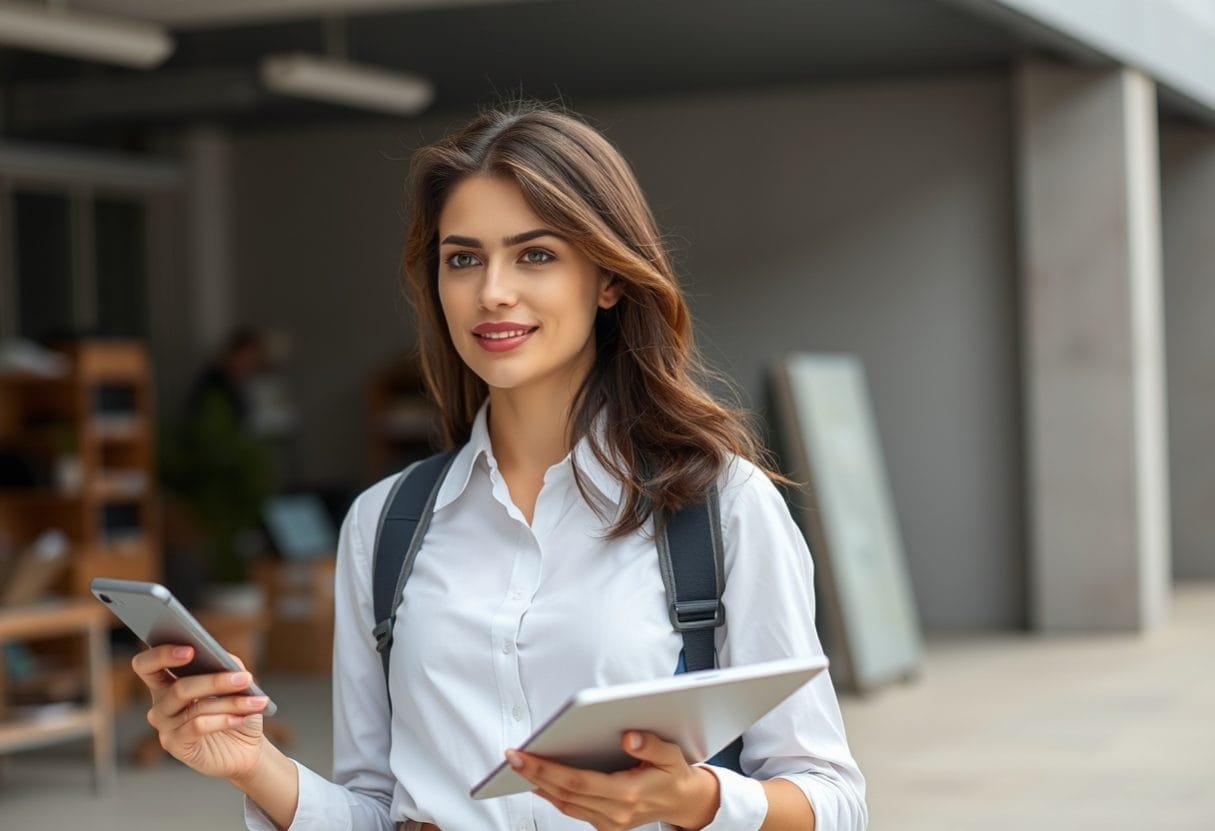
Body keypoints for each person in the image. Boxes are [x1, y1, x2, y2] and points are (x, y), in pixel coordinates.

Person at [133, 104, 867, 831]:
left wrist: (699, 800)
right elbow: (374, 810)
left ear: (607, 279)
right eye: (463, 258)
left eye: (535, 254)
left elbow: (833, 801)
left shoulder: (719, 505)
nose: (492, 291)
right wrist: (250, 761)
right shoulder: (383, 525)